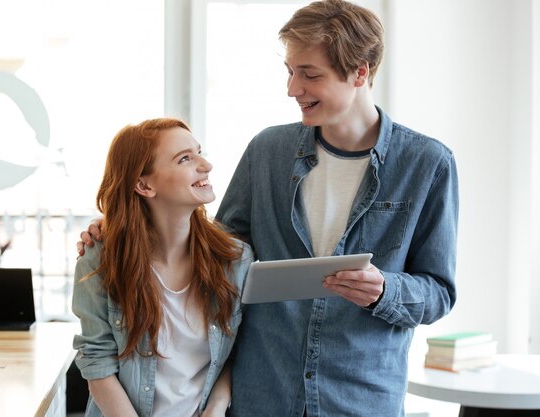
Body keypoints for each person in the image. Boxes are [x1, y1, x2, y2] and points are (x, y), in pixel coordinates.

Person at [78, 1, 459, 415]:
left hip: (358, 398)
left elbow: (438, 292)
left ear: (360, 72)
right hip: (264, 394)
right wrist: (125, 223)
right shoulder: (267, 152)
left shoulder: (427, 164)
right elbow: (213, 251)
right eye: (291, 71)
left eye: (310, 74)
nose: (293, 89)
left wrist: (386, 290)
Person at [72, 118, 253, 417]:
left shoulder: (235, 260)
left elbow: (242, 351)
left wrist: (216, 407)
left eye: (199, 152)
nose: (205, 165)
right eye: (185, 158)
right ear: (144, 185)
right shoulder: (100, 259)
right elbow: (96, 362)